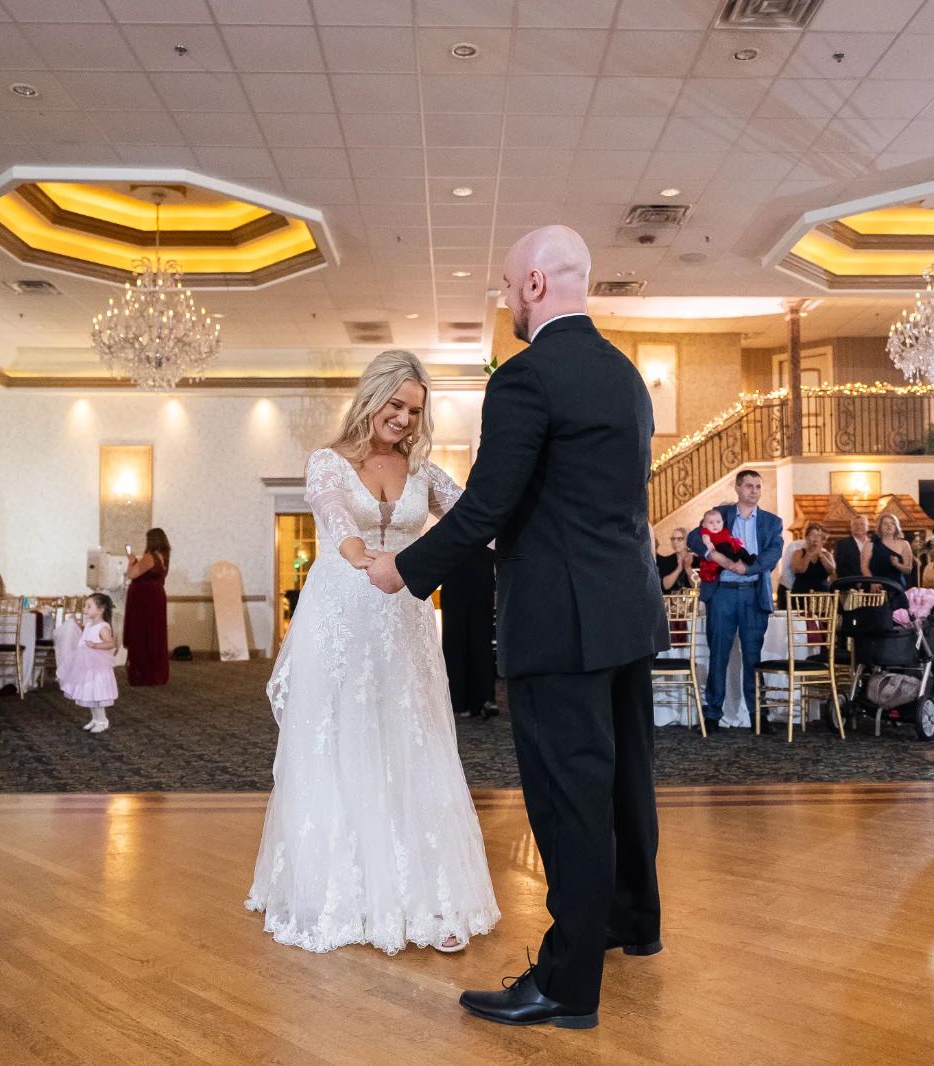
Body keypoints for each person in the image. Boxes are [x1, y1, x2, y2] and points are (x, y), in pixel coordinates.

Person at [366, 227, 667, 1029]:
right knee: (625, 780)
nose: (505, 302)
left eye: (506, 287)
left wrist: (405, 570)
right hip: (629, 610)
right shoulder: (626, 376)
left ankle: (567, 985)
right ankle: (633, 920)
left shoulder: (527, 377)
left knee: (570, 797)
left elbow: (487, 507)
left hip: (560, 621)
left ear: (534, 283)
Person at [247, 349, 500, 959]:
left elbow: (476, 517)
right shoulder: (328, 462)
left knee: (411, 741)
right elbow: (334, 515)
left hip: (404, 620)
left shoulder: (424, 471)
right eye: (396, 405)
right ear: (371, 397)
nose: (405, 419)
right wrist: (360, 555)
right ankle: (339, 892)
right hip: (340, 617)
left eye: (414, 411)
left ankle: (428, 897)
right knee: (341, 741)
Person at [689, 470, 785, 733]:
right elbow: (694, 538)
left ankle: (758, 716)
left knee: (753, 657)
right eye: (749, 486)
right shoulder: (721, 513)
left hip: (753, 593)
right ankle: (712, 715)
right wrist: (713, 555)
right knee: (718, 653)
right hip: (722, 593)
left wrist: (748, 568)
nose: (754, 490)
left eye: (758, 486)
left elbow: (774, 552)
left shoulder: (772, 522)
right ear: (738, 488)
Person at [441, 546, 499, 718]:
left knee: (481, 638)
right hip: (454, 560)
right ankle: (458, 699)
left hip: (481, 561)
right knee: (455, 637)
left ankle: (483, 698)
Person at [62, 593, 118, 733]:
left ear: (100, 610)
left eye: (88, 606)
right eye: (85, 606)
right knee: (89, 693)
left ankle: (102, 720)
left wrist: (96, 645)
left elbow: (111, 643)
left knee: (97, 693)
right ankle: (95, 719)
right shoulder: (89, 624)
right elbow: (85, 636)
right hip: (86, 665)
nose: (85, 609)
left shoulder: (103, 627)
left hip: (97, 667)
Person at [123, 528, 171, 686]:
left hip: (144, 600)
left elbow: (132, 574)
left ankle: (143, 672)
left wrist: (131, 561)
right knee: (154, 633)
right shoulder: (164, 557)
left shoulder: (150, 556)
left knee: (142, 633)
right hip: (156, 597)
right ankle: (155, 671)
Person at [694, 508, 756, 586]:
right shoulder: (706, 531)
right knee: (725, 547)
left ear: (722, 523)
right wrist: (708, 543)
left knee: (742, 550)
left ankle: (749, 559)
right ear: (704, 524)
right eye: (711, 522)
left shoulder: (724, 531)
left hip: (730, 548)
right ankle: (735, 559)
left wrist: (737, 540)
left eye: (718, 522)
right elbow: (705, 537)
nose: (715, 525)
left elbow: (729, 538)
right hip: (719, 547)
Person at [788, 522, 835, 596]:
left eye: (818, 535)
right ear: (806, 537)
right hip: (801, 594)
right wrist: (809, 553)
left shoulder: (827, 554)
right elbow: (800, 570)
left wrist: (821, 555)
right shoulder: (798, 553)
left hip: (823, 595)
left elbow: (831, 571)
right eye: (812, 534)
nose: (815, 538)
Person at [871, 513, 915, 589]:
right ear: (880, 527)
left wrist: (897, 564)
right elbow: (864, 566)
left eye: (892, 523)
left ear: (896, 526)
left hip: (896, 587)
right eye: (885, 523)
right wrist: (872, 582)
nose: (889, 526)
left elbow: (908, 570)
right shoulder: (872, 544)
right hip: (877, 587)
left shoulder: (904, 544)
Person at [833, 512, 874, 580]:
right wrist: (855, 581)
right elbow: (840, 567)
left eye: (862, 524)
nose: (859, 527)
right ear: (851, 528)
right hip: (851, 583)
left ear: (867, 527)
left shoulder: (875, 543)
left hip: (874, 582)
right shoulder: (841, 544)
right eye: (855, 524)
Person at [656, 527, 695, 594]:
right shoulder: (666, 560)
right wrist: (678, 569)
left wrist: (688, 568)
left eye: (679, 539)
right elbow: (664, 586)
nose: (675, 542)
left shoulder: (697, 560)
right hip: (671, 599)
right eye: (673, 539)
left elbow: (697, 586)